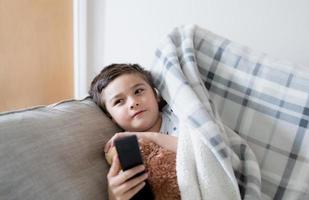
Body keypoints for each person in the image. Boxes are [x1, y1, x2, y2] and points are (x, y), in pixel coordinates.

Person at [89, 63, 179, 200]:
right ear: (110, 117)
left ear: (156, 95)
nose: (133, 103)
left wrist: (150, 136)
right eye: (119, 101)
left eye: (138, 91)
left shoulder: (178, 116)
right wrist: (114, 196)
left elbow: (197, 148)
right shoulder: (125, 149)